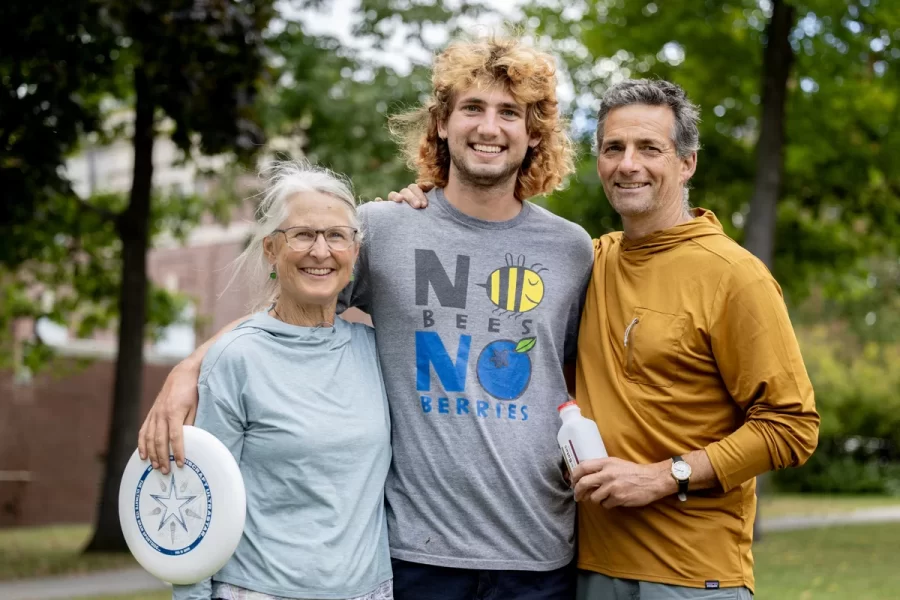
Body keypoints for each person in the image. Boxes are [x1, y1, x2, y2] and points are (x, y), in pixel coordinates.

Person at [140, 36, 594, 600]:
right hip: (414, 553)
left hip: (539, 547)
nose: (489, 127)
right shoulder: (385, 228)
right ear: (443, 124)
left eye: (510, 113)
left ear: (534, 135)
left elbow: (579, 375)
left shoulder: (572, 249)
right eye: (472, 108)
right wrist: (189, 368)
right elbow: (290, 314)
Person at [388, 79, 820, 599]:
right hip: (586, 567)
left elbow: (793, 427)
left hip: (691, 576)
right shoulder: (586, 259)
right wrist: (422, 205)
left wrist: (666, 476)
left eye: (649, 148)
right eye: (613, 148)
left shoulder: (734, 276)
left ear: (687, 163)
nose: (628, 164)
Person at [172, 161, 393, 600]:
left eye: (336, 235)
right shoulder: (237, 357)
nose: (320, 250)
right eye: (303, 234)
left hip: (370, 591)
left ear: (355, 253)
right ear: (271, 251)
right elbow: (196, 496)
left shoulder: (376, 350)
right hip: (259, 590)